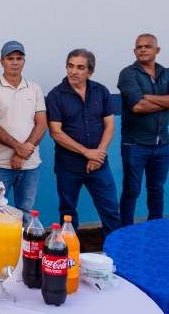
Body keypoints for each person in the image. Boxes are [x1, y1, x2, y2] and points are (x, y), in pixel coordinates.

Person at [46, 49, 121, 236]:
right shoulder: (56, 95)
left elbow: (109, 126)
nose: (74, 71)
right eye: (70, 66)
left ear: (90, 72)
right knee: (68, 214)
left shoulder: (101, 91)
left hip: (99, 164)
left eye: (80, 67)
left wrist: (98, 154)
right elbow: (56, 132)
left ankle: (114, 254)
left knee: (111, 212)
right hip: (68, 167)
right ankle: (70, 256)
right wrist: (87, 152)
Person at [116, 34, 169, 226]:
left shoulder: (168, 73)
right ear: (134, 51)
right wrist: (166, 101)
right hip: (134, 144)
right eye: (139, 47)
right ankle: (126, 230)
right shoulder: (128, 73)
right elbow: (137, 106)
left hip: (162, 144)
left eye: (148, 46)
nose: (143, 49)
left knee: (157, 189)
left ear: (157, 50)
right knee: (132, 190)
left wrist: (149, 97)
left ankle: (156, 227)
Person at [0, 41, 48, 226]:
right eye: (10, 58)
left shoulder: (34, 88)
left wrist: (24, 151)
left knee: (26, 213)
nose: (15, 62)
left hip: (30, 163)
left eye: (19, 58)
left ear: (24, 61)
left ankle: (26, 253)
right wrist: (19, 148)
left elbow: (41, 123)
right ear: (1, 61)